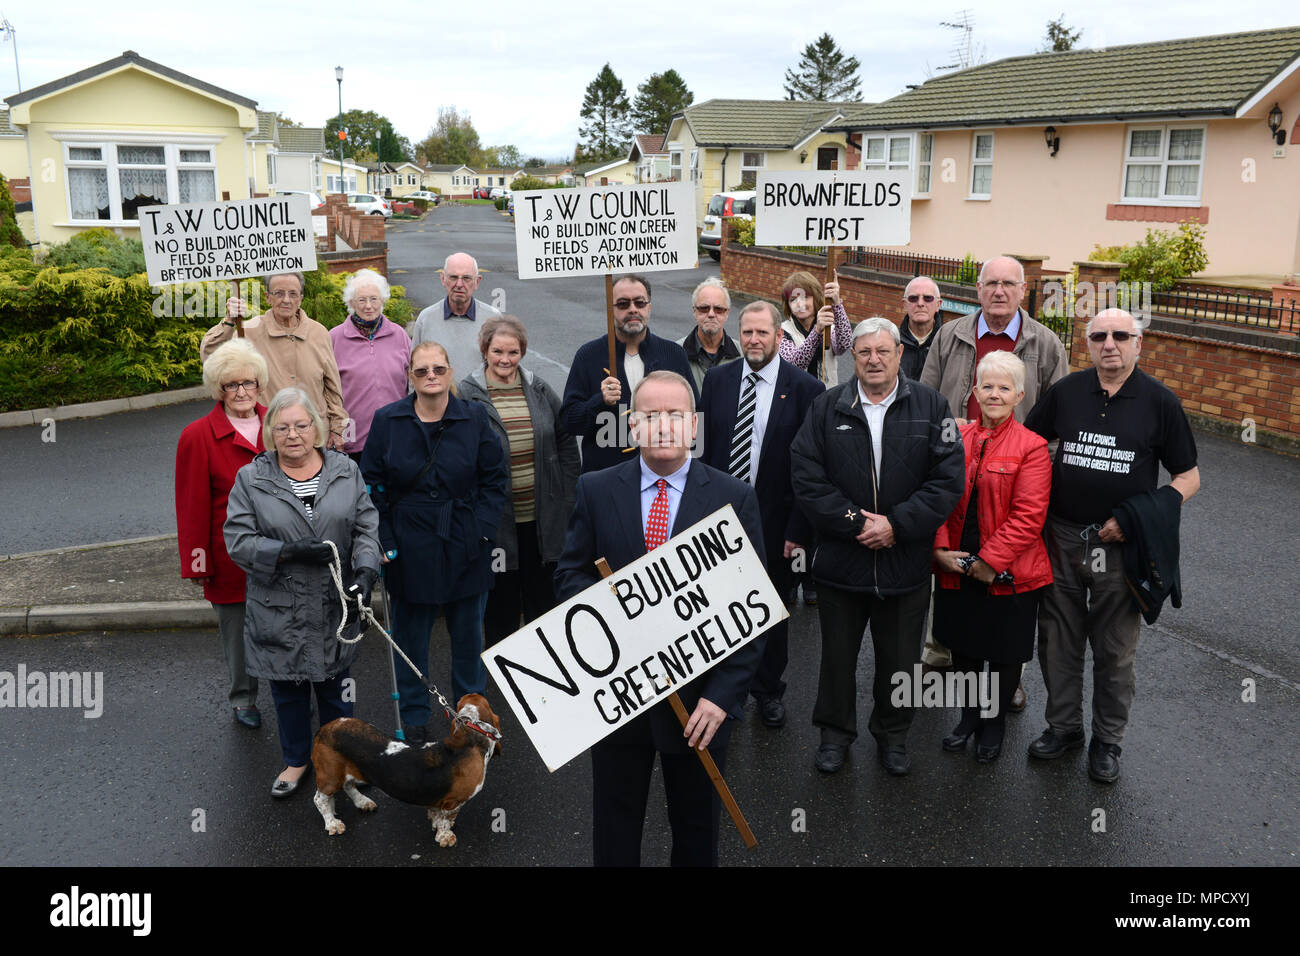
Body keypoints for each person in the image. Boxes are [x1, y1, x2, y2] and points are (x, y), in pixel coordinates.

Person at [555, 370, 766, 867]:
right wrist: (617, 614)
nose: (664, 425)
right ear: (633, 425)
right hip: (618, 695)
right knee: (615, 825)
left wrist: (723, 697)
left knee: (696, 829)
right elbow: (568, 576)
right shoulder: (596, 488)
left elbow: (755, 608)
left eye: (675, 415)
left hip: (699, 706)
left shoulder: (733, 497)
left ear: (693, 425)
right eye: (651, 415)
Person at [1024, 308, 1200, 783]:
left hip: (1120, 546)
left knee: (1114, 649)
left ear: (1138, 344)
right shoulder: (1066, 392)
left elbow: (1188, 478)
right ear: (1088, 344)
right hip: (1061, 535)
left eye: (1121, 336)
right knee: (1057, 641)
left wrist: (1138, 516)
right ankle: (1063, 729)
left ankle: (1107, 741)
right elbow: (1031, 444)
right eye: (1099, 335)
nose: (1109, 344)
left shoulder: (1159, 402)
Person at [790, 318, 964, 776]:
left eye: (882, 352)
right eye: (864, 352)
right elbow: (806, 477)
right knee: (837, 658)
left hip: (903, 563)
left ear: (899, 354)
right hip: (840, 565)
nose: (872, 360)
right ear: (855, 356)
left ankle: (893, 736)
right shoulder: (827, 407)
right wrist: (854, 523)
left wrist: (896, 525)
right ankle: (834, 735)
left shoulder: (933, 406)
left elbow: (948, 481)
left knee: (899, 661)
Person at [918, 255, 1069, 709]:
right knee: (950, 569)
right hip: (954, 467)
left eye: (1009, 284)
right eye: (991, 283)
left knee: (1009, 583)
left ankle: (1008, 676)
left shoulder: (1046, 343)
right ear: (978, 289)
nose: (999, 291)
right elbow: (927, 398)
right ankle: (941, 652)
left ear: (1023, 291)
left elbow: (1058, 416)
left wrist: (1037, 470)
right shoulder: (951, 334)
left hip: (1015, 475)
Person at [224, 387, 381, 798]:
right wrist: (287, 552)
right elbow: (238, 541)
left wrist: (365, 570)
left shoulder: (346, 470)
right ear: (270, 432)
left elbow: (366, 525)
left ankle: (343, 762)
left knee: (336, 688)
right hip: (279, 609)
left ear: (316, 427)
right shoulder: (251, 478)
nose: (293, 434)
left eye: (301, 424)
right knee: (288, 690)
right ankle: (296, 761)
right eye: (282, 427)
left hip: (334, 604)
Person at [361, 342, 509, 744]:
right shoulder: (387, 420)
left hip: (464, 539)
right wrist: (386, 541)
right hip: (408, 544)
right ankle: (414, 718)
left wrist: (481, 531)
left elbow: (495, 479)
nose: (431, 376)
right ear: (409, 374)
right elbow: (372, 485)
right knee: (411, 639)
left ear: (449, 372)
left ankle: (470, 717)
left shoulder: (474, 417)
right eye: (422, 370)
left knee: (467, 639)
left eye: (438, 369)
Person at [698, 300, 824, 729]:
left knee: (767, 609)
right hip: (716, 521)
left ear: (779, 337)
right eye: (747, 332)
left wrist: (799, 530)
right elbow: (701, 450)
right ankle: (716, 690)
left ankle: (768, 691)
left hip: (775, 523)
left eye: (762, 333)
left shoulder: (806, 389)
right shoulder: (717, 380)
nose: (753, 340)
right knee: (714, 606)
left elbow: (812, 470)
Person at [932, 352, 1052, 763]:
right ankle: (968, 718)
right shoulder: (957, 439)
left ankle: (994, 722)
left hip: (1008, 572)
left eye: (1004, 387)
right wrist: (941, 551)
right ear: (974, 391)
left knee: (1002, 653)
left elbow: (1029, 516)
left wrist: (989, 562)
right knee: (964, 648)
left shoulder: (1032, 447)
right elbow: (939, 498)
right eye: (987, 386)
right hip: (957, 565)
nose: (994, 394)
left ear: (1019, 394)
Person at [459, 316, 580, 646]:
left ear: (522, 352)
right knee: (502, 603)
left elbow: (565, 439)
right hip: (497, 522)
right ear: (485, 350)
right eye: (497, 351)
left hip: (542, 518)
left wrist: (566, 494)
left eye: (513, 352)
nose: (505, 359)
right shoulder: (468, 395)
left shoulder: (538, 388)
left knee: (544, 600)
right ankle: (505, 679)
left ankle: (550, 670)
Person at [174, 339, 269, 729]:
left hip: (281, 552)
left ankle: (290, 690)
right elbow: (191, 505)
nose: (243, 392)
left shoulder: (281, 422)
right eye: (232, 385)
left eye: (249, 383)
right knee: (238, 631)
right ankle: (243, 697)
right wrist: (198, 564)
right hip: (228, 555)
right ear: (219, 389)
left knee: (285, 624)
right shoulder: (197, 436)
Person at [559, 273, 695, 474]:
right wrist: (600, 401)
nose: (633, 309)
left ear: (649, 307)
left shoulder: (673, 354)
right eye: (623, 304)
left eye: (639, 303)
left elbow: (695, 417)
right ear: (610, 309)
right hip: (607, 480)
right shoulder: (588, 356)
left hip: (664, 477)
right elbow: (569, 422)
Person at [202, 272, 349, 450]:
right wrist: (229, 322)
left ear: (301, 298)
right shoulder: (248, 331)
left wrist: (338, 429)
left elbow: (333, 389)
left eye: (293, 294)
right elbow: (212, 358)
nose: (286, 300)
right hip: (270, 438)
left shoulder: (319, 333)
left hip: (316, 436)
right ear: (267, 297)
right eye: (279, 293)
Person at [329, 268, 411, 464]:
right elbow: (326, 390)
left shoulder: (399, 335)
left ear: (382, 300)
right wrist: (333, 429)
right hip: (351, 441)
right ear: (351, 303)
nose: (368, 306)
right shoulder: (334, 338)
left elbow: (412, 383)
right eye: (361, 300)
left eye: (374, 299)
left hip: (396, 437)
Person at [411, 252, 502, 379]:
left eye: (466, 278)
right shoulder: (426, 319)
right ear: (443, 279)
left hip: (478, 399)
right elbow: (414, 369)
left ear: (477, 282)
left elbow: (503, 370)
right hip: (436, 399)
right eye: (453, 277)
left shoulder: (493, 319)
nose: (459, 284)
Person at [777, 269, 852, 383]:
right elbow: (794, 364)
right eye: (793, 299)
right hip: (798, 398)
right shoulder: (782, 331)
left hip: (827, 397)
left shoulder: (829, 329)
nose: (799, 303)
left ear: (816, 298)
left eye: (805, 297)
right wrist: (816, 331)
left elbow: (844, 345)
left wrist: (836, 303)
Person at [677, 277, 741, 391]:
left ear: (727, 313)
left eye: (718, 309)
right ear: (695, 311)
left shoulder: (742, 355)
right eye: (704, 308)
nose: (711, 314)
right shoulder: (675, 353)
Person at [900, 275, 944, 381]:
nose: (920, 303)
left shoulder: (948, 344)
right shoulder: (892, 343)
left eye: (928, 298)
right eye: (913, 298)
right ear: (905, 305)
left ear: (938, 305)